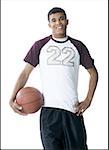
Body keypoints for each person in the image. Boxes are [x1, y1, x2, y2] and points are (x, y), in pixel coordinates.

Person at [9, 7, 98, 150]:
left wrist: (88, 100)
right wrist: (11, 98)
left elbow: (93, 73)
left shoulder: (77, 46)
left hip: (72, 111)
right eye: (54, 20)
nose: (58, 23)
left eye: (62, 19)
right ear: (49, 24)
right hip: (49, 113)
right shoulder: (40, 46)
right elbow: (25, 73)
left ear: (67, 21)